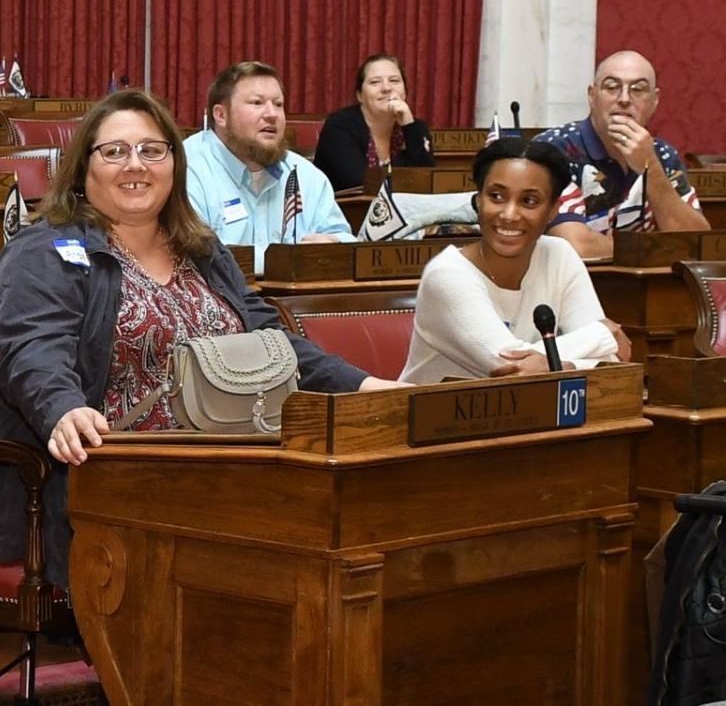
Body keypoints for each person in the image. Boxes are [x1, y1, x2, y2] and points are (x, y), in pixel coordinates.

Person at [0, 89, 401, 589]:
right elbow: (33, 347)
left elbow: (271, 341)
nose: (135, 165)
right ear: (84, 169)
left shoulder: (202, 248)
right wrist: (63, 410)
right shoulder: (46, 249)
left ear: (174, 163)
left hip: (235, 469)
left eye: (152, 150)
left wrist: (364, 387)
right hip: (111, 486)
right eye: (114, 151)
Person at [399, 137, 630, 384]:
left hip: (533, 406)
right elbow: (510, 368)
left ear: (553, 211)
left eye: (529, 201)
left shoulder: (559, 254)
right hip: (437, 408)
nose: (509, 215)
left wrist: (565, 365)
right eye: (496, 196)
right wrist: (601, 335)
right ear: (478, 201)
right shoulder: (446, 275)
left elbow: (613, 360)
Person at [184, 61, 356, 275]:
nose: (272, 114)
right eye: (257, 103)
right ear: (221, 115)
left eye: (278, 104)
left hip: (295, 293)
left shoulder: (304, 174)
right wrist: (294, 260)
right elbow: (195, 254)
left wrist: (334, 247)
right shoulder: (186, 168)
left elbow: (347, 242)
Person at [534, 50, 709, 258]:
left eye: (638, 89)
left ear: (654, 100)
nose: (624, 99)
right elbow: (577, 247)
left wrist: (651, 167)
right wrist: (657, 246)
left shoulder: (662, 154)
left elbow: (697, 242)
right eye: (611, 87)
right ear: (592, 96)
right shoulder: (554, 149)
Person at [314, 53, 435, 191]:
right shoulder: (339, 126)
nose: (386, 88)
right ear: (359, 95)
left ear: (405, 92)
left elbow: (427, 183)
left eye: (394, 80)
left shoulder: (416, 128)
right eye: (375, 82)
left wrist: (409, 125)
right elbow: (358, 184)